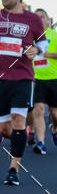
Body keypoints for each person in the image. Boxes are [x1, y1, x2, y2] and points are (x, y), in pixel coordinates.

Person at [0, 0, 47, 186]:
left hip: (23, 78)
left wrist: (37, 50)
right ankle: (22, 136)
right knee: (3, 129)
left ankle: (14, 168)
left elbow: (43, 42)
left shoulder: (33, 20)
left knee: (18, 120)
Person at [30, 8, 57, 154]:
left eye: (42, 16)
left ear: (48, 19)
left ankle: (54, 128)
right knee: (38, 110)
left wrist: (49, 54)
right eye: (37, 17)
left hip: (54, 79)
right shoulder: (32, 37)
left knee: (54, 114)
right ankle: (40, 142)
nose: (39, 19)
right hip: (36, 79)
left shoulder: (54, 35)